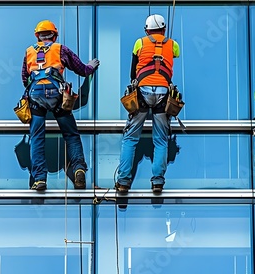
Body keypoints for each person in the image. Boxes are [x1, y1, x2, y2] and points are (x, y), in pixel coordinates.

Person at [22, 20, 99, 191]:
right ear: (54, 35)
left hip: (35, 96)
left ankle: (40, 179)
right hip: (56, 94)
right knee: (71, 135)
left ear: (37, 36)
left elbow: (24, 78)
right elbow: (82, 70)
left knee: (36, 138)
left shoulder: (29, 52)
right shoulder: (60, 49)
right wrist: (91, 68)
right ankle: (79, 168)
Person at [115, 14, 180, 194]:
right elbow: (177, 53)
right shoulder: (172, 43)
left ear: (147, 29)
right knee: (160, 140)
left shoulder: (140, 43)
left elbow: (133, 71)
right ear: (164, 28)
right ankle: (158, 181)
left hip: (143, 91)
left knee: (130, 138)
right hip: (163, 92)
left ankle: (123, 181)